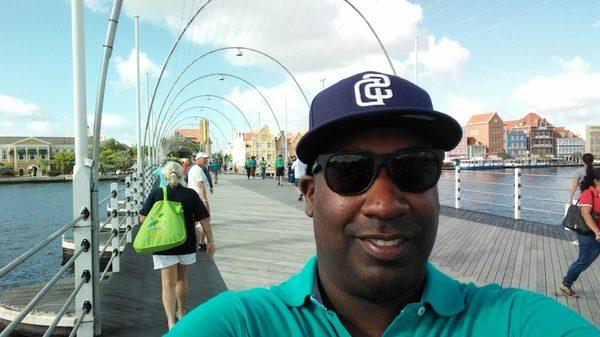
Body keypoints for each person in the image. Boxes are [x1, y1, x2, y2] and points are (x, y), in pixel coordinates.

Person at [168, 71, 597, 336]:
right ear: (310, 195)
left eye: (413, 168)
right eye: (350, 171)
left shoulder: (514, 321)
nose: (385, 204)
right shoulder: (241, 325)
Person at [139, 161, 215, 330]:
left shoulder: (157, 193)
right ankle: (182, 313)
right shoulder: (191, 194)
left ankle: (171, 322)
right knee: (181, 280)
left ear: (165, 176)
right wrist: (210, 240)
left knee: (167, 283)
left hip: (164, 244)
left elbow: (143, 218)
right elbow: (204, 219)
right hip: (186, 242)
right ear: (182, 175)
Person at [560, 167, 600, 297]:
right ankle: (566, 284)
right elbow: (585, 214)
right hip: (589, 233)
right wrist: (597, 232)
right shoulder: (588, 193)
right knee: (584, 260)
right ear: (596, 180)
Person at [187, 152, 212, 250]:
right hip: (198, 199)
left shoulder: (194, 169)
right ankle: (199, 242)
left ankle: (198, 241)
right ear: (197, 159)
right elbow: (200, 185)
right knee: (206, 220)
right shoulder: (198, 170)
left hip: (194, 198)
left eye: (206, 158)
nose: (206, 160)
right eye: (204, 158)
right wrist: (205, 201)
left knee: (194, 221)